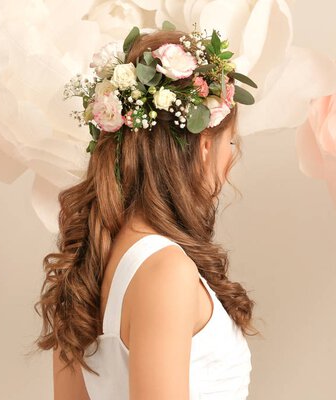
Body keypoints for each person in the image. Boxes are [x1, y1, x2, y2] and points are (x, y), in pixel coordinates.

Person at [31, 22, 260, 400]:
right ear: (204, 145)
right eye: (230, 142)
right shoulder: (165, 270)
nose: (230, 158)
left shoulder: (89, 266)